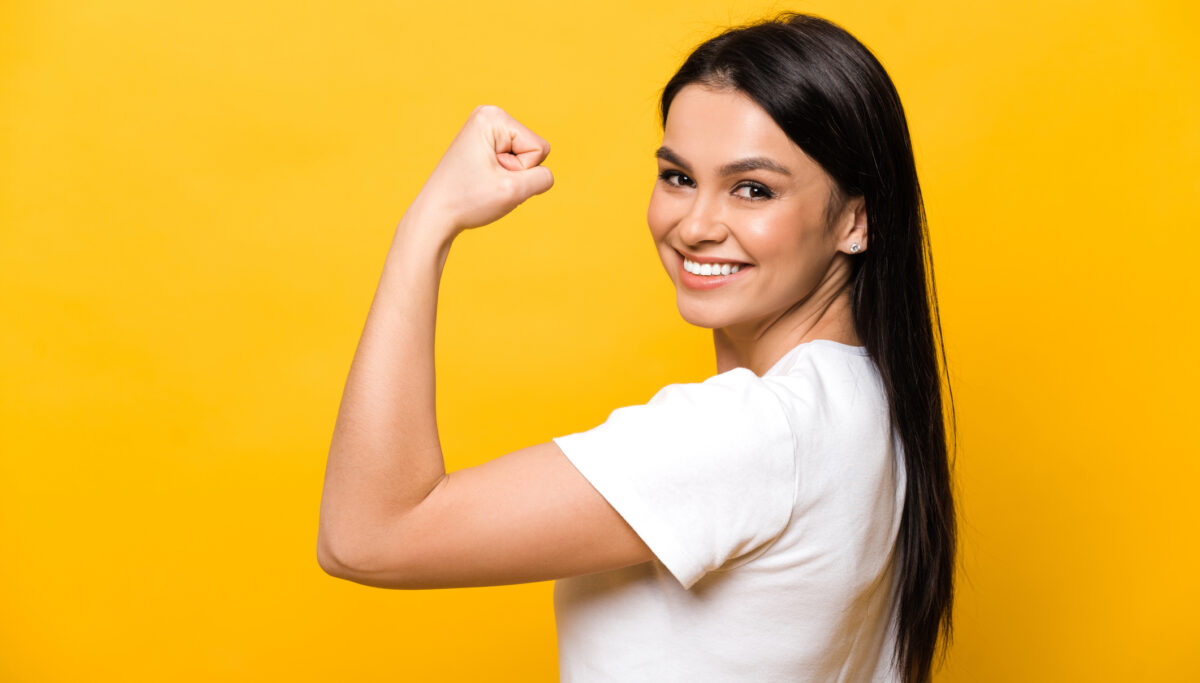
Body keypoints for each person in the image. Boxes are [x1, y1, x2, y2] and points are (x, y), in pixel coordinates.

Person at [317, 11, 956, 683]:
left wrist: (426, 224)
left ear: (857, 220)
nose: (696, 224)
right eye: (678, 177)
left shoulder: (750, 433)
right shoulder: (865, 403)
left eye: (753, 188)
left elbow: (366, 537)